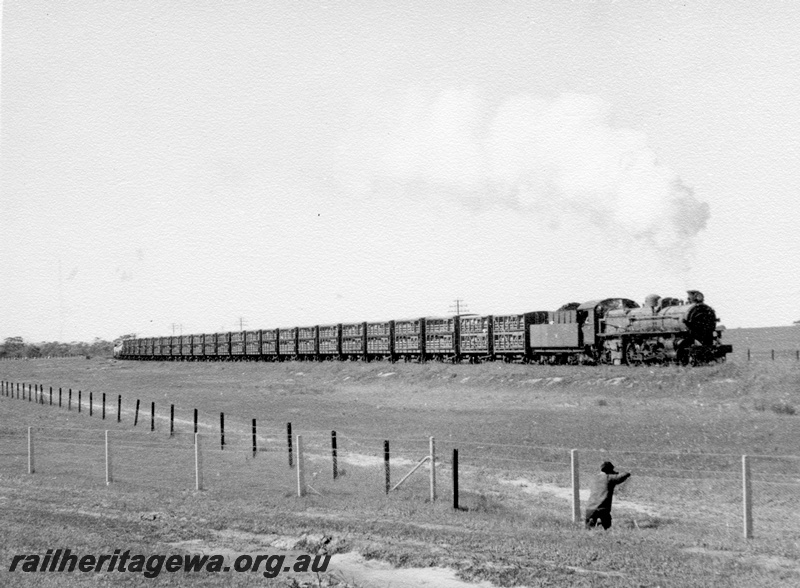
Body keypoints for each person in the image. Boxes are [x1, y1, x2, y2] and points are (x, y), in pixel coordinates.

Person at [584, 461, 631, 530]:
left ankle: (593, 526)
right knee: (607, 528)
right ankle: (603, 527)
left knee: (588, 530)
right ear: (609, 470)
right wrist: (628, 473)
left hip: (589, 508)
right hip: (603, 508)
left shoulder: (595, 478)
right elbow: (620, 477)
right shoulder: (609, 478)